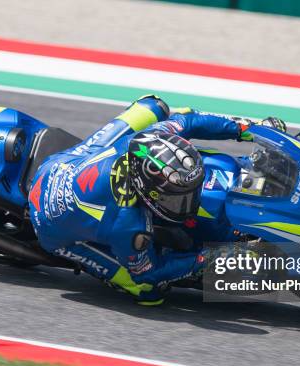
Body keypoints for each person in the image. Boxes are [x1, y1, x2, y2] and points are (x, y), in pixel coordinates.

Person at [28, 95, 286, 305]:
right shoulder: (128, 225)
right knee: (148, 291)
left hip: (67, 162)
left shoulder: (150, 139)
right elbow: (150, 271)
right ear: (144, 190)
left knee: (154, 105)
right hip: (50, 223)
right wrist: (207, 258)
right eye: (179, 199)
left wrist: (249, 130)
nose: (190, 202)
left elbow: (190, 121)